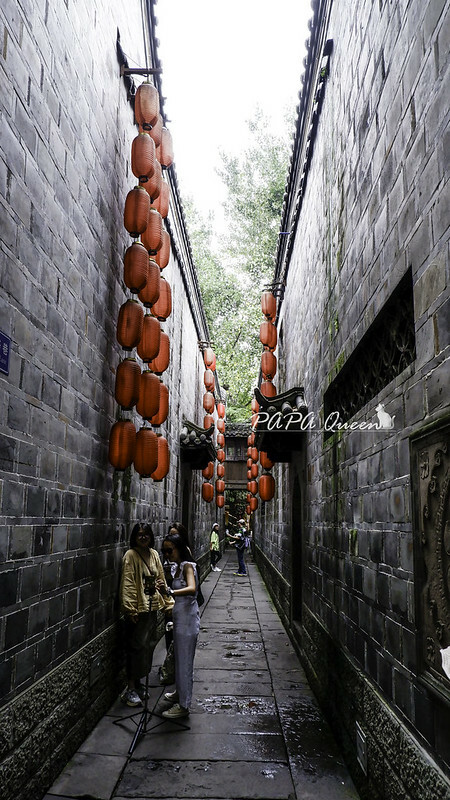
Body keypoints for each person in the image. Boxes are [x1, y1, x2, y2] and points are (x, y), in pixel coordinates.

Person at [119, 522, 174, 707]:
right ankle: (130, 687)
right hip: (139, 609)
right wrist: (130, 609)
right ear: (134, 537)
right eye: (140, 534)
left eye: (146, 534)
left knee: (148, 647)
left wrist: (167, 602)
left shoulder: (154, 554)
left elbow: (161, 579)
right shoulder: (131, 555)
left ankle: (139, 683)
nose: (143, 537)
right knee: (136, 648)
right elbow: (128, 583)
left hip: (152, 607)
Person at [160, 531, 200, 719]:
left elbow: (192, 588)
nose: (167, 555)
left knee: (184, 662)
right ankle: (179, 692)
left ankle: (184, 705)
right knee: (179, 659)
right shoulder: (177, 566)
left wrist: (170, 591)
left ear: (179, 549)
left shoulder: (187, 566)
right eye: (165, 551)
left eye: (170, 550)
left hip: (187, 621)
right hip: (180, 619)